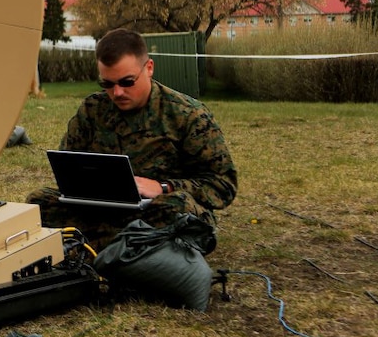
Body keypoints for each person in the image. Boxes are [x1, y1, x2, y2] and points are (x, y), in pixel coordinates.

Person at [27, 28, 237, 251]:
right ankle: (118, 246)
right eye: (107, 84)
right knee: (38, 202)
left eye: (127, 82)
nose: (117, 92)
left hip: (157, 209)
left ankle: (96, 246)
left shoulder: (188, 115)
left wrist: (163, 187)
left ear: (149, 68)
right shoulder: (92, 110)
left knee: (178, 209)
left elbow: (223, 185)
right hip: (102, 208)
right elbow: (68, 167)